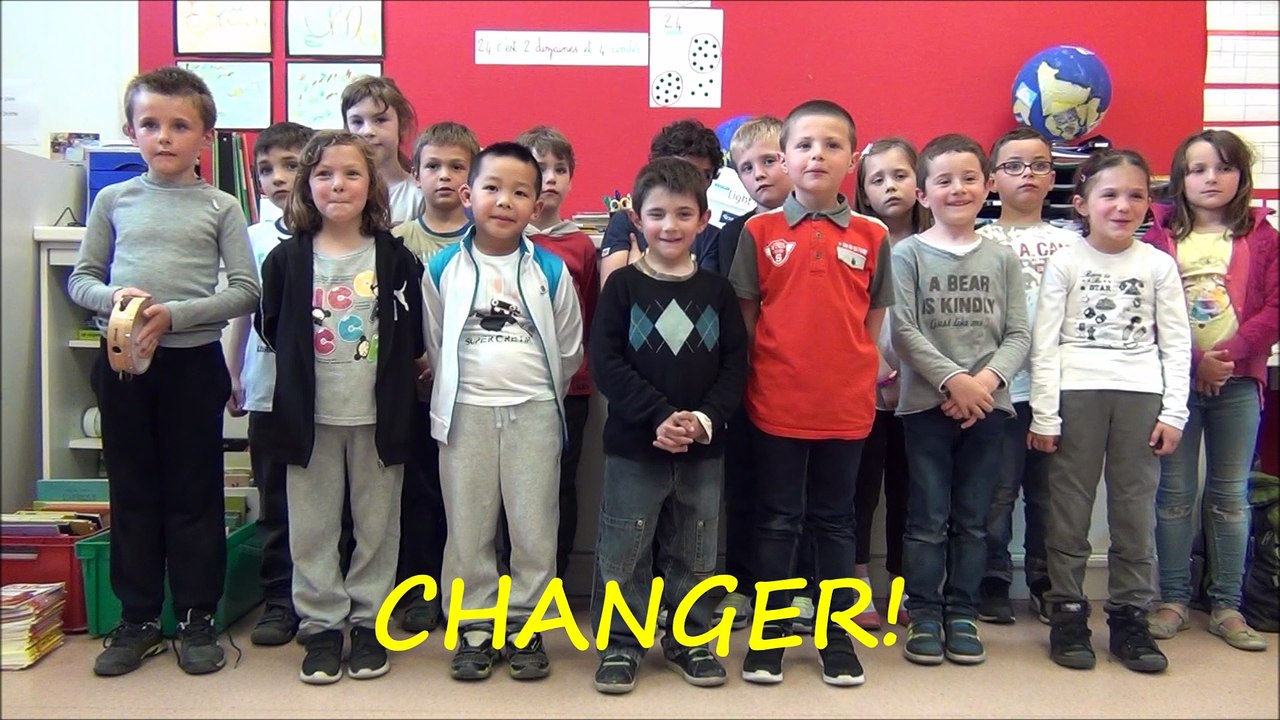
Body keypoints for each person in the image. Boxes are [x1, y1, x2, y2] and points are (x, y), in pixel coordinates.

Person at [68, 66, 259, 677]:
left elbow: (245, 291)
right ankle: (139, 619)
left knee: (193, 494)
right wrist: (118, 303)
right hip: (124, 368)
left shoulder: (221, 206)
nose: (165, 137)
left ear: (206, 135)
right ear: (131, 131)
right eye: (150, 125)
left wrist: (173, 316)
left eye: (181, 126)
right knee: (132, 492)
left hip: (190, 366)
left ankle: (198, 615)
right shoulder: (112, 200)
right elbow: (81, 280)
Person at [729, 99, 893, 687]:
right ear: (785, 159)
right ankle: (771, 634)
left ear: (852, 158)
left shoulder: (874, 235)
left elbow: (871, 318)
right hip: (776, 403)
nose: (815, 155)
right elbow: (748, 319)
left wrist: (851, 369)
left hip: (845, 407)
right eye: (802, 145)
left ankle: (834, 637)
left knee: (836, 522)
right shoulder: (758, 230)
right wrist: (770, 375)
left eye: (830, 145)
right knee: (776, 520)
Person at [256, 130, 426, 684]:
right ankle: (323, 627)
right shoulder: (285, 259)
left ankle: (370, 622)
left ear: (371, 184)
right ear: (308, 183)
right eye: (325, 173)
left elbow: (413, 329)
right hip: (310, 418)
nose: (338, 184)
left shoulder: (395, 258)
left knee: (379, 526)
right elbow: (270, 326)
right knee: (312, 527)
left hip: (380, 417)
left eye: (352, 173)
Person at [423, 142, 583, 682]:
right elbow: (435, 338)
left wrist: (536, 395)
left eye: (520, 192)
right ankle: (472, 627)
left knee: (534, 527)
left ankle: (526, 625)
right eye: (492, 188)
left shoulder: (552, 270)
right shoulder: (443, 265)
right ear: (469, 195)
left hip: (534, 411)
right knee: (468, 527)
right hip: (465, 413)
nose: (504, 201)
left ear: (536, 206)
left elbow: (568, 349)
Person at [589, 157, 748, 694]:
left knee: (696, 547)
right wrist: (660, 416)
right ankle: (621, 644)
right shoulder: (622, 288)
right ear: (636, 219)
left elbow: (734, 367)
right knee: (624, 548)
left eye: (684, 214)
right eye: (657, 214)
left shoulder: (718, 292)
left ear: (704, 220)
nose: (670, 226)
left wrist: (701, 421)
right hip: (636, 444)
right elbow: (607, 364)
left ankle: (690, 640)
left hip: (703, 446)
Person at [1030, 149, 1191, 674]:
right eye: (1110, 195)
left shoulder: (1158, 264)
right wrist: (1046, 416)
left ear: (1149, 204)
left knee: (1133, 513)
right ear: (1081, 204)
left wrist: (1175, 412)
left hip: (1141, 396)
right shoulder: (1066, 261)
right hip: (1077, 394)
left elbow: (1176, 343)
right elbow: (1045, 343)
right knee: (1070, 512)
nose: (1123, 206)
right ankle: (1069, 614)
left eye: (1136, 196)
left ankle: (1129, 617)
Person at [890, 133, 1029, 666]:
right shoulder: (907, 255)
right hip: (926, 409)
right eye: (943, 180)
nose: (958, 189)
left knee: (975, 518)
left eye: (969, 178)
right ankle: (924, 613)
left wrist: (984, 385)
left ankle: (962, 611)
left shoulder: (1002, 258)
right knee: (926, 517)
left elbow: (1019, 333)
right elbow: (903, 329)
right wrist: (954, 382)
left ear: (988, 185)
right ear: (923, 194)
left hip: (989, 410)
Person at [1143, 129, 1277, 652]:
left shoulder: (1262, 235)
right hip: (1175, 380)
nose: (1210, 178)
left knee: (1230, 495)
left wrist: (1228, 357)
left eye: (1223, 168)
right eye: (1198, 169)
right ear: (1180, 180)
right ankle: (1173, 599)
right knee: (1174, 494)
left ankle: (1227, 605)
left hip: (1238, 380)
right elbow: (1149, 307)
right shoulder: (1158, 234)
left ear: (1241, 177)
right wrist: (1197, 362)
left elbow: (1272, 308)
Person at [974, 127, 1081, 625]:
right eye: (1014, 166)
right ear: (993, 180)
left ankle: (1043, 578)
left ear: (1053, 176)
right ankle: (993, 577)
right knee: (996, 490)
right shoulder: (978, 239)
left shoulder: (1072, 243)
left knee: (1049, 492)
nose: (1028, 175)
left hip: (1057, 391)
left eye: (1039, 165)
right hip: (1000, 390)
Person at [225, 120, 315, 646]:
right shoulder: (254, 239)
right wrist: (232, 371)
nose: (279, 178)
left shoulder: (336, 235)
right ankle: (280, 599)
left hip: (328, 393)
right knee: (276, 500)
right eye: (266, 170)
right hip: (268, 389)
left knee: (331, 503)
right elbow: (242, 308)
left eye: (291, 165)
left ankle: (330, 595)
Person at [390, 120, 481, 633]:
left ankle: (466, 590)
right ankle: (420, 588)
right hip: (410, 390)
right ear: (415, 174)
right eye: (433, 166)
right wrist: (417, 362)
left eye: (456, 167)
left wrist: (445, 363)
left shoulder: (488, 237)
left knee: (465, 496)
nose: (444, 177)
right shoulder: (396, 241)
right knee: (417, 491)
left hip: (470, 390)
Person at [849, 136, 934, 628]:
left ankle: (901, 590)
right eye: (876, 179)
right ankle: (856, 587)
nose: (890, 187)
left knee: (910, 493)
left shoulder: (935, 243)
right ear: (862, 191)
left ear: (919, 183)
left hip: (923, 392)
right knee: (861, 492)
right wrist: (877, 371)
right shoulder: (860, 239)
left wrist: (917, 375)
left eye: (900, 175)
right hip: (867, 389)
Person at [712, 115, 790, 632]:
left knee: (793, 493)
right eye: (746, 167)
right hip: (747, 380)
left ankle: (794, 589)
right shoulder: (734, 233)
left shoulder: (834, 226)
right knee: (744, 486)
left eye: (770, 160)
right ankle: (740, 583)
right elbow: (727, 307)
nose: (759, 174)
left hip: (804, 380)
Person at [517, 125, 601, 578]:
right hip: (509, 384)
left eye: (559, 169)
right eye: (539, 167)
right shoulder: (501, 239)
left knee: (560, 485)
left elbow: (586, 313)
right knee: (513, 490)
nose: (549, 178)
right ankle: (512, 577)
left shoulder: (580, 246)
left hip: (568, 388)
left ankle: (556, 577)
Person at [599, 119, 723, 287]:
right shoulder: (625, 222)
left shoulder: (713, 236)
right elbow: (612, 291)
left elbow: (704, 295)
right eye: (683, 171)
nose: (694, 182)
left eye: (705, 175)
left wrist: (641, 271)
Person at [341, 75, 421, 224]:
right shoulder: (339, 194)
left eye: (380, 120)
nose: (367, 131)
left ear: (402, 125)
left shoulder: (418, 196)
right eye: (357, 122)